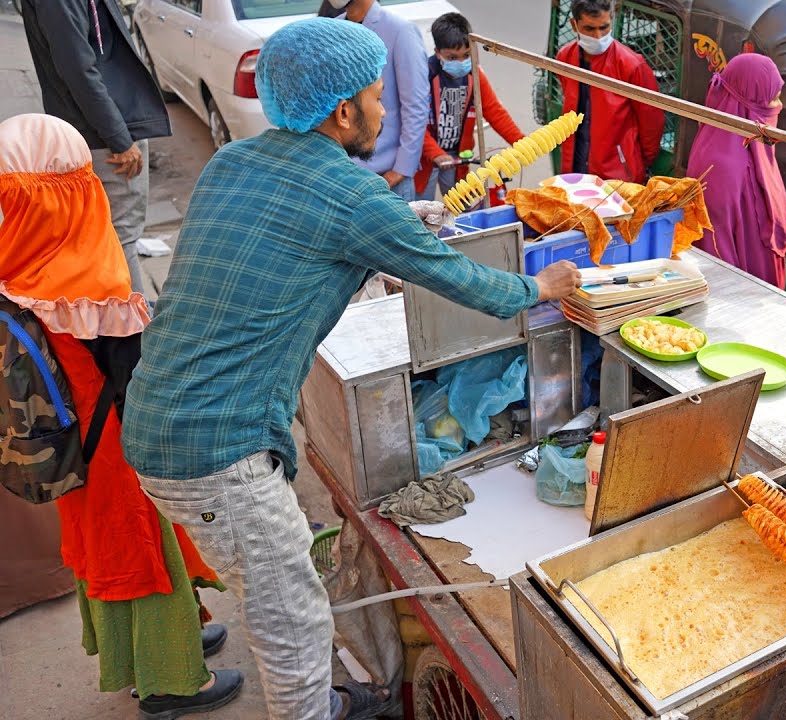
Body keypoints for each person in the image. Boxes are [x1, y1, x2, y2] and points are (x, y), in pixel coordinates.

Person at [120, 19, 580, 720]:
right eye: (377, 97)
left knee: (276, 596)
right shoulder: (348, 196)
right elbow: (471, 287)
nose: (387, 110)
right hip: (216, 451)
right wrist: (543, 289)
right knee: (295, 623)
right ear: (343, 112)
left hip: (156, 415)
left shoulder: (235, 162)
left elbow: (333, 224)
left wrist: (410, 216)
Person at [0, 113, 241, 719]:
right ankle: (169, 681)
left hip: (65, 445)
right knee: (138, 548)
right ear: (69, 189)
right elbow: (141, 373)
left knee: (101, 544)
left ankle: (147, 647)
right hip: (113, 447)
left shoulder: (16, 260)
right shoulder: (85, 275)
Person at [20, 0, 171, 295]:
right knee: (120, 236)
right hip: (103, 136)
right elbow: (78, 70)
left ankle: (123, 327)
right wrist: (119, 138)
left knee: (112, 236)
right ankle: (133, 333)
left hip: (102, 130)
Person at [687, 53, 786, 289]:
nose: (779, 106)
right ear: (749, 102)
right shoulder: (721, 165)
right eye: (773, 99)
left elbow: (760, 203)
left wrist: (785, 226)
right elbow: (715, 249)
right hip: (743, 292)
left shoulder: (751, 144)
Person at [415, 12, 526, 201]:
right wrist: (435, 153)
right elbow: (413, 122)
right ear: (437, 52)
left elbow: (494, 112)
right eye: (452, 57)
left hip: (458, 156)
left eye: (466, 55)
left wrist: (522, 143)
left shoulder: (475, 75)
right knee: (421, 209)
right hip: (424, 157)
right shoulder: (424, 75)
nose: (460, 62)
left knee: (462, 208)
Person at [329, 0, 430, 201]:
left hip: (387, 176)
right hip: (344, 176)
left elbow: (416, 105)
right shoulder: (334, 30)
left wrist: (402, 169)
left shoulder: (400, 31)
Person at [556, 0, 665, 182]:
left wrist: (636, 163)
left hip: (617, 176)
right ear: (574, 25)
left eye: (604, 28)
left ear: (611, 20)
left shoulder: (632, 65)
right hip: (575, 166)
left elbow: (651, 122)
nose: (598, 36)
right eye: (590, 29)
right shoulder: (565, 57)